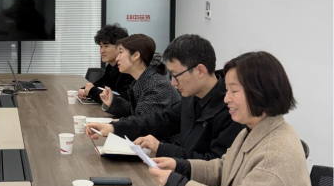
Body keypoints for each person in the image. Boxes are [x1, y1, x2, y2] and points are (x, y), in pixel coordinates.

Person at [149, 52, 317, 186]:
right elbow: (225, 167)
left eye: (234, 91)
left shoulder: (276, 152)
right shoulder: (252, 130)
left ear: (261, 92)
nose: (226, 98)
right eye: (227, 90)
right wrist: (182, 167)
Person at [86, 34, 244, 160]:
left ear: (200, 71)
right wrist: (114, 128)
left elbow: (214, 165)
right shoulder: (192, 97)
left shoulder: (231, 109)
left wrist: (161, 148)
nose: (173, 83)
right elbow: (159, 120)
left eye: (176, 75)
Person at [99, 34, 180, 120]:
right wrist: (112, 102)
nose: (117, 58)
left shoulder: (156, 85)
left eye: (121, 52)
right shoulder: (146, 78)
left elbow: (143, 123)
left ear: (136, 56)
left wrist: (114, 125)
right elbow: (136, 112)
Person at [78, 24, 133, 104]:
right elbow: (99, 85)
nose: (102, 51)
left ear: (120, 47)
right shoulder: (110, 67)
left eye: (106, 46)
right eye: (101, 46)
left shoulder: (128, 70)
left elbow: (121, 101)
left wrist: (91, 91)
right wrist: (84, 90)